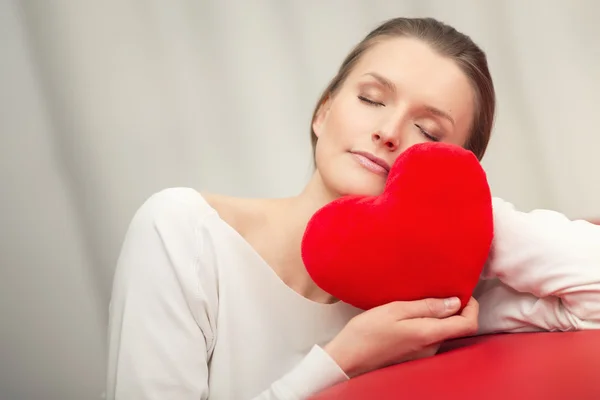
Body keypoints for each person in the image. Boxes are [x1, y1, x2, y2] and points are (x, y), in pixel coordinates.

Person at [105, 17, 600, 400]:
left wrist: (475, 218)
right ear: (323, 111)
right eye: (371, 99)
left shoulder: (437, 304)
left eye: (428, 131)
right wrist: (342, 361)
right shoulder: (183, 232)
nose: (389, 132)